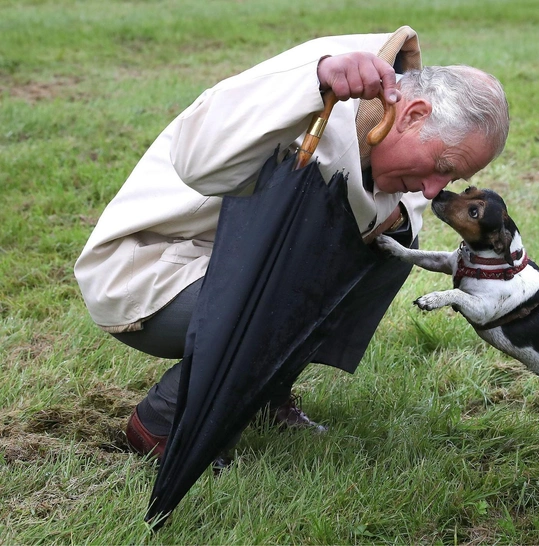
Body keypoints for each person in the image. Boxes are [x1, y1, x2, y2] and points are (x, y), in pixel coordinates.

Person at [74, 26, 510, 465]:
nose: (436, 190)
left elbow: (385, 215)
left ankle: (261, 392)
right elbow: (197, 160)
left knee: (392, 251)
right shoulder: (325, 77)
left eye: (450, 179)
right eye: (441, 167)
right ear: (413, 115)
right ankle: (162, 420)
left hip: (236, 264)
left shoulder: (392, 118)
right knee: (306, 279)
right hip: (150, 267)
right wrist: (314, 82)